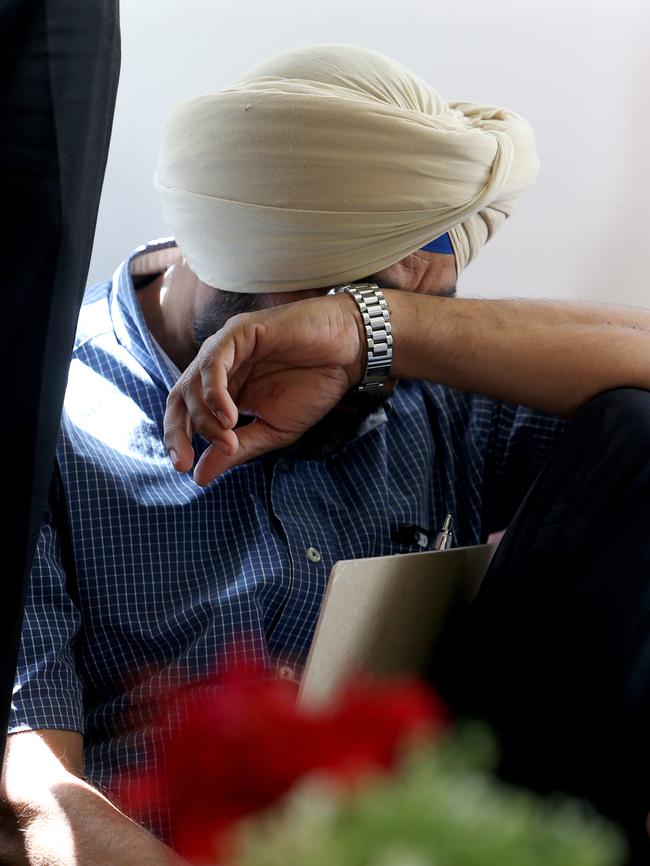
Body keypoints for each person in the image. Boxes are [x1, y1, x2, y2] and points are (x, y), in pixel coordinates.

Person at [3, 44, 649, 865]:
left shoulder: (403, 374)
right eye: (347, 298)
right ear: (240, 251)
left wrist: (374, 332)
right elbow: (32, 797)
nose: (371, 364)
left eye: (408, 312)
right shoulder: (52, 419)